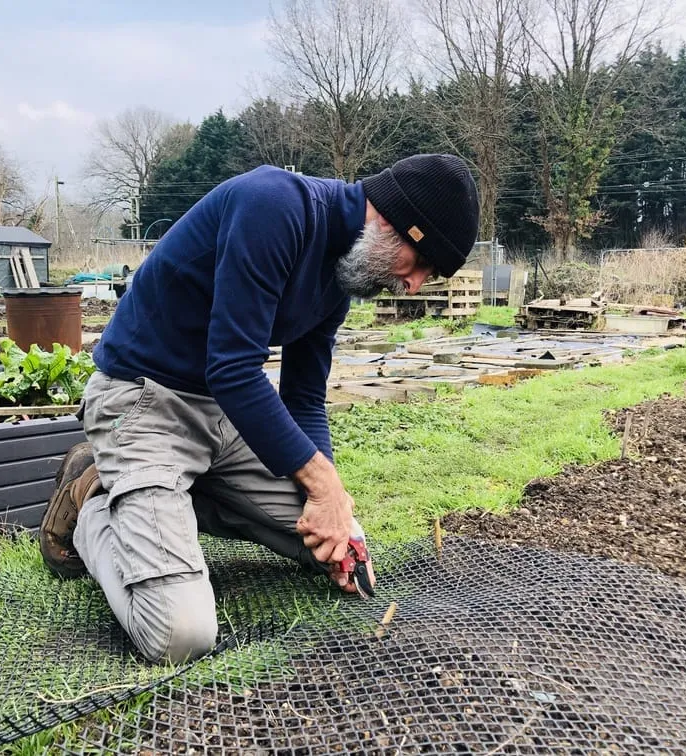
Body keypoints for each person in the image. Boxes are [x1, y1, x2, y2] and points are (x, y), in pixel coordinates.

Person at [39, 154, 480, 663]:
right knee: (180, 635)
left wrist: (328, 503)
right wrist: (324, 486)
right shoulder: (272, 206)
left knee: (337, 547)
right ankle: (94, 505)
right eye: (421, 262)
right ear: (392, 221)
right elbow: (233, 369)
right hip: (144, 403)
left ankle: (171, 497)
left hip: (224, 415)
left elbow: (303, 397)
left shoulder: (340, 271)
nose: (415, 284)